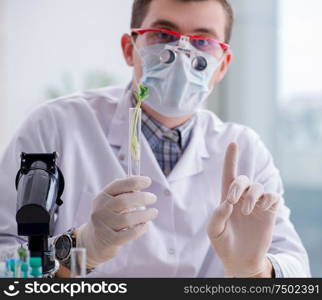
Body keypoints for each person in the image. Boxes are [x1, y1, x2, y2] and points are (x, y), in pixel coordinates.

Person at [0, 0, 310, 278]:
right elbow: (5, 266)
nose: (181, 54)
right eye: (163, 35)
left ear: (223, 66)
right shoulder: (55, 126)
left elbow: (297, 271)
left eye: (203, 41)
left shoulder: (246, 151)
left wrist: (255, 271)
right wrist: (79, 249)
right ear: (128, 48)